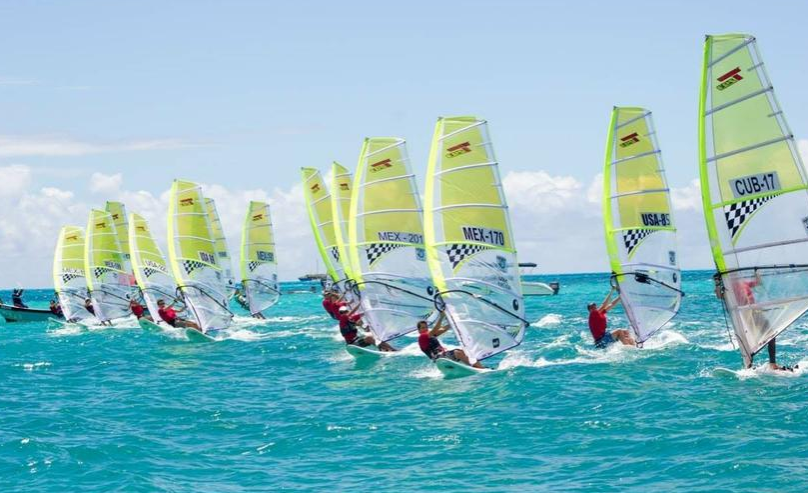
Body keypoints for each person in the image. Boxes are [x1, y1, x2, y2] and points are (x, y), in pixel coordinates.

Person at [727, 271, 792, 371]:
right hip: (746, 314)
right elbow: (721, 295)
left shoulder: (743, 283)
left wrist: (756, 273)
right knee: (766, 335)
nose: (736, 276)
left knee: (770, 334)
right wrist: (718, 284)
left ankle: (770, 363)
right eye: (733, 275)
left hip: (755, 312)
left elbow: (758, 283)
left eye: (735, 274)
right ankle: (754, 364)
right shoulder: (730, 287)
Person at [417, 311, 483, 368]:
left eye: (426, 327)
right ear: (419, 330)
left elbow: (443, 329)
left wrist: (453, 322)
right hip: (439, 359)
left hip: (444, 356)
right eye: (423, 328)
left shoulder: (430, 336)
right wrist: (441, 317)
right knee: (458, 353)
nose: (425, 329)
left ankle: (479, 367)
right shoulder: (422, 337)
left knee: (464, 351)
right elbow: (435, 330)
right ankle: (476, 367)